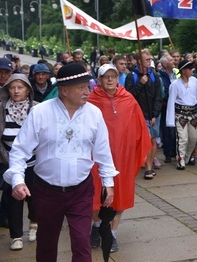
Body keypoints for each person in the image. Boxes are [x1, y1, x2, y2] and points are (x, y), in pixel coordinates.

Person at [3, 63, 118, 262]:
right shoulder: (40, 113)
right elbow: (20, 150)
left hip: (81, 190)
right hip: (46, 192)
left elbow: (103, 151)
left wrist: (108, 183)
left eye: (87, 86)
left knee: (82, 244)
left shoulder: (94, 114)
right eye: (81, 87)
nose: (87, 92)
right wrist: (18, 180)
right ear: (64, 90)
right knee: (46, 245)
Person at [88, 64, 151, 253]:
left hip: (123, 156)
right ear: (98, 80)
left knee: (120, 193)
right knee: (94, 193)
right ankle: (97, 225)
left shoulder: (128, 99)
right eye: (105, 76)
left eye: (113, 76)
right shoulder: (91, 100)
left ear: (117, 78)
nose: (109, 79)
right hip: (97, 157)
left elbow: (139, 126)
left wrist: (136, 150)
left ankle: (112, 233)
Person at [0, 74, 38, 251]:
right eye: (12, 87)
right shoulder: (2, 109)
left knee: (34, 198)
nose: (16, 91)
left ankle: (34, 223)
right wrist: (8, 161)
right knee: (13, 200)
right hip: (10, 164)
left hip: (34, 163)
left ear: (28, 90)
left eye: (20, 87)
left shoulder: (37, 109)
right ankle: (16, 236)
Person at [166, 60, 197, 170]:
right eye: (189, 69)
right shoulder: (175, 85)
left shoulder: (194, 81)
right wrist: (170, 120)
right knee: (182, 138)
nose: (191, 71)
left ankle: (188, 155)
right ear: (183, 71)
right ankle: (180, 159)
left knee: (194, 137)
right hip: (180, 114)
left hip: (193, 113)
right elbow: (171, 102)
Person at [125, 50, 162, 180]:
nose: (150, 61)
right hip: (139, 114)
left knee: (153, 140)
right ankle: (147, 168)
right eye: (147, 59)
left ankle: (149, 165)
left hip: (153, 114)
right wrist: (140, 84)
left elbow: (158, 96)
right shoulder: (132, 76)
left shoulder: (154, 75)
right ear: (140, 61)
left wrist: (155, 114)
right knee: (145, 141)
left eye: (150, 59)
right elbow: (129, 96)